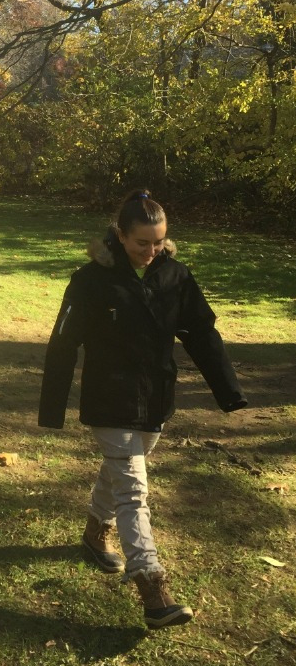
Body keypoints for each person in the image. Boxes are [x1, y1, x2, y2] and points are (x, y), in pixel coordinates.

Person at [38, 189, 247, 629]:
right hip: (109, 398)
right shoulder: (91, 280)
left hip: (155, 399)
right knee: (134, 490)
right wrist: (52, 408)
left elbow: (201, 333)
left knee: (121, 470)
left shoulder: (175, 276)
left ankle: (94, 533)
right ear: (120, 234)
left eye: (159, 242)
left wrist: (229, 392)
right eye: (141, 243)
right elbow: (62, 344)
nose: (151, 251)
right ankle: (152, 587)